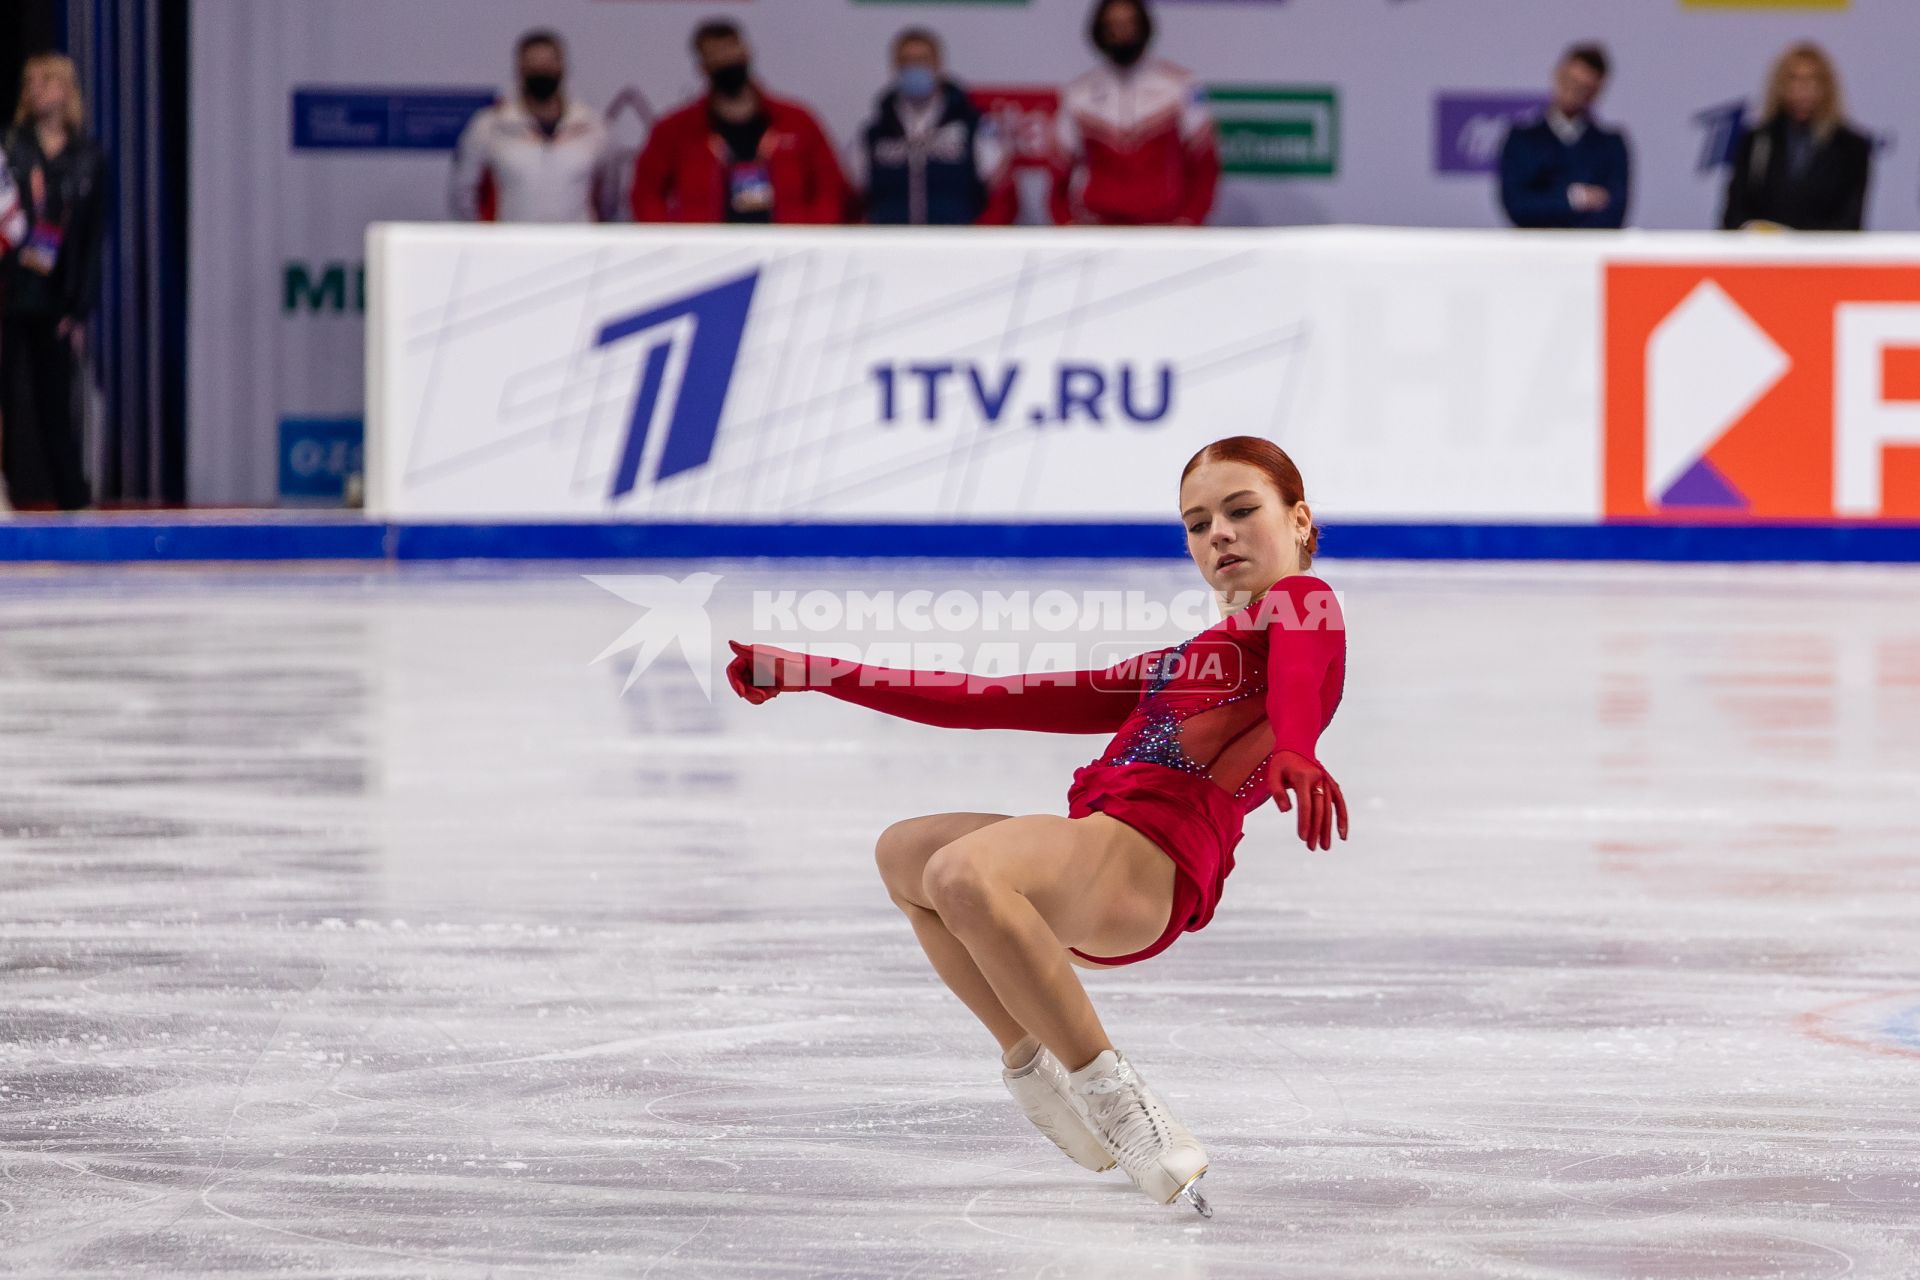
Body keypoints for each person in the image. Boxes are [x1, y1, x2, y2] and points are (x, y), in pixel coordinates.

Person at [724, 435, 1349, 1215]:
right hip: (1093, 861)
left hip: (1143, 867)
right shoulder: (1184, 661)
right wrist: (813, 672)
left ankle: (1119, 1102)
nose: (1217, 532)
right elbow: (989, 697)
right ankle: (1038, 1069)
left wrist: (1295, 746)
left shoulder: (1305, 603)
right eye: (1196, 523)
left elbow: (1299, 665)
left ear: (1299, 520)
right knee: (907, 854)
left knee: (963, 871)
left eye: (1241, 510)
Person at [2, 52, 107, 512]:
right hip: (8, 290)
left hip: (54, 296)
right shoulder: (10, 148)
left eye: (46, 82)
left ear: (66, 89)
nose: (37, 91)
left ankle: (73, 503)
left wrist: (79, 308)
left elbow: (91, 240)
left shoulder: (88, 158)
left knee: (54, 406)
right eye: (31, 83)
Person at [631, 19, 847, 224]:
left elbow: (831, 190)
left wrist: (810, 234)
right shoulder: (675, 129)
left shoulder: (797, 121)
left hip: (787, 248)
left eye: (731, 51)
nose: (726, 61)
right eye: (716, 56)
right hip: (709, 251)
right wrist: (677, 243)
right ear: (703, 67)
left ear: (747, 53)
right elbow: (646, 194)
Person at [1052, 0, 1219, 227]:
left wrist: (1189, 220)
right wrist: (1069, 225)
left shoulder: (1180, 86)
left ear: (1144, 26)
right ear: (1099, 31)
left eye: (1129, 24)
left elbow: (1205, 165)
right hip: (1096, 228)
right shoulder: (1078, 94)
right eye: (1112, 26)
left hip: (1165, 228)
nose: (1122, 33)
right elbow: (1057, 176)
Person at [450, 30, 616, 223]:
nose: (540, 70)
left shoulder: (593, 126)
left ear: (562, 66)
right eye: (532, 64)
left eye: (547, 63)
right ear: (519, 69)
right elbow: (463, 194)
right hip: (511, 247)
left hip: (578, 245)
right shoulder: (490, 126)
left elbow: (608, 196)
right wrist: (490, 240)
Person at [854, 28, 1014, 226]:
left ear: (938, 65)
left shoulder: (974, 127)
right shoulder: (875, 134)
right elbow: (854, 200)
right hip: (891, 247)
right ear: (895, 67)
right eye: (906, 61)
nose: (914, 67)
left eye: (922, 60)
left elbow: (1002, 197)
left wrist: (978, 240)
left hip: (957, 248)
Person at [1720, 43, 1871, 232]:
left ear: (1827, 86)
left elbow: (1850, 222)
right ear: (1780, 85)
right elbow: (1733, 215)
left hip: (1825, 257)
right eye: (1793, 79)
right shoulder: (1756, 140)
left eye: (1812, 79)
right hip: (1765, 256)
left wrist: (1799, 243)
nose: (1803, 88)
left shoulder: (1852, 147)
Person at [1497, 43, 1630, 229]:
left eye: (1583, 87)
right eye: (1569, 81)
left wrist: (1546, 198)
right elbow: (1518, 206)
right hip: (1534, 252)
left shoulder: (1610, 145)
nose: (1573, 91)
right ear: (1557, 76)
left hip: (1589, 253)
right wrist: (1576, 198)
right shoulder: (1522, 139)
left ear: (1596, 91)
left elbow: (1613, 213)